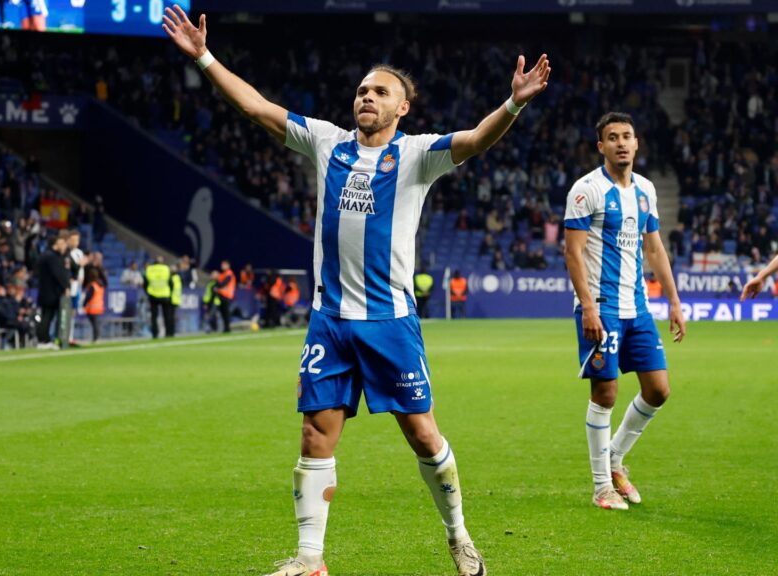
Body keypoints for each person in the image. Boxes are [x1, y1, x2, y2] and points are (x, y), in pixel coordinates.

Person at [163, 6, 550, 575]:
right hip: (329, 321)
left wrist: (514, 102)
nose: (367, 97)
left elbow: (474, 140)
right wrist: (203, 55)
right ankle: (311, 559)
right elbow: (255, 107)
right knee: (315, 434)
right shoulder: (326, 142)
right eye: (362, 90)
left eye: (380, 92)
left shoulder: (417, 155)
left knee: (422, 435)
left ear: (402, 106)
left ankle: (459, 535)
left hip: (388, 321)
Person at [563, 111, 686, 512]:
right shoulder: (586, 190)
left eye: (626, 136)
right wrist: (587, 307)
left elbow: (654, 248)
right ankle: (602, 487)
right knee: (606, 392)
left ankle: (614, 458)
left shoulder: (646, 190)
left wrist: (673, 300)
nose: (620, 142)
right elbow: (573, 252)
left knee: (658, 389)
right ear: (601, 146)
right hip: (602, 307)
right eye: (612, 137)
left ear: (636, 144)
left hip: (638, 308)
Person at [36, 232, 71, 349]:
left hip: (45, 291)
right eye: (63, 243)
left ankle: (44, 340)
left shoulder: (46, 255)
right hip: (50, 293)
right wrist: (66, 287)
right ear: (57, 243)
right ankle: (43, 341)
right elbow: (58, 275)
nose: (65, 246)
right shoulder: (51, 257)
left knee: (47, 316)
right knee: (47, 317)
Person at [145, 256, 173, 338]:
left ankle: (155, 334)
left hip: (153, 295)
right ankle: (168, 333)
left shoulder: (149, 269)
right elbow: (171, 283)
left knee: (154, 316)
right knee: (167, 315)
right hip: (165, 295)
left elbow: (145, 283)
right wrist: (169, 292)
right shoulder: (166, 269)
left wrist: (148, 292)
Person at [84, 252, 109, 343]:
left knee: (95, 323)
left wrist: (84, 303)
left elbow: (105, 283)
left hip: (93, 306)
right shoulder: (88, 268)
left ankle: (96, 337)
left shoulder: (94, 284)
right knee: (95, 323)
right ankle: (96, 337)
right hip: (97, 306)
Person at [215, 259, 236, 333]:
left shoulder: (229, 273)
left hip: (227, 295)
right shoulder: (222, 274)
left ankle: (227, 327)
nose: (222, 266)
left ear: (228, 265)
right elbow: (217, 282)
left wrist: (218, 287)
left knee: (226, 312)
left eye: (224, 265)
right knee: (222, 312)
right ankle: (225, 327)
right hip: (221, 295)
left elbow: (225, 282)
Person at [170, 263, 183, 336]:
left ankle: (170, 332)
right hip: (176, 299)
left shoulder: (173, 278)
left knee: (170, 317)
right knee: (173, 317)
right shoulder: (178, 278)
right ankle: (172, 331)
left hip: (171, 299)